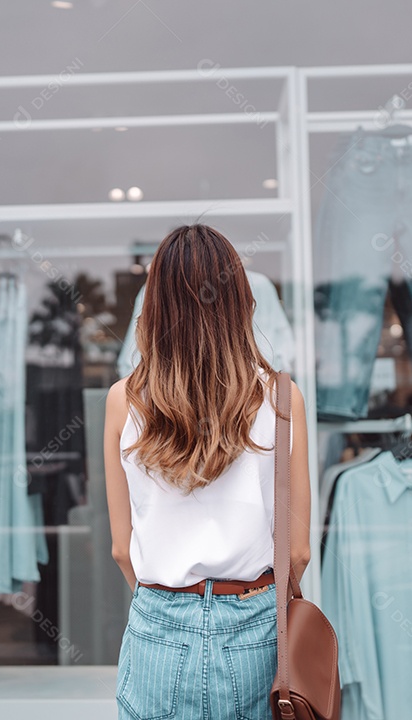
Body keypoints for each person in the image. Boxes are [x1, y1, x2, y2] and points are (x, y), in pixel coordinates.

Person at [104, 224, 311, 720]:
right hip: (256, 630)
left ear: (153, 309)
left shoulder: (123, 400)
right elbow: (298, 550)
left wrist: (172, 604)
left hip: (158, 625)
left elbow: (119, 547)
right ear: (241, 301)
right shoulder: (283, 398)